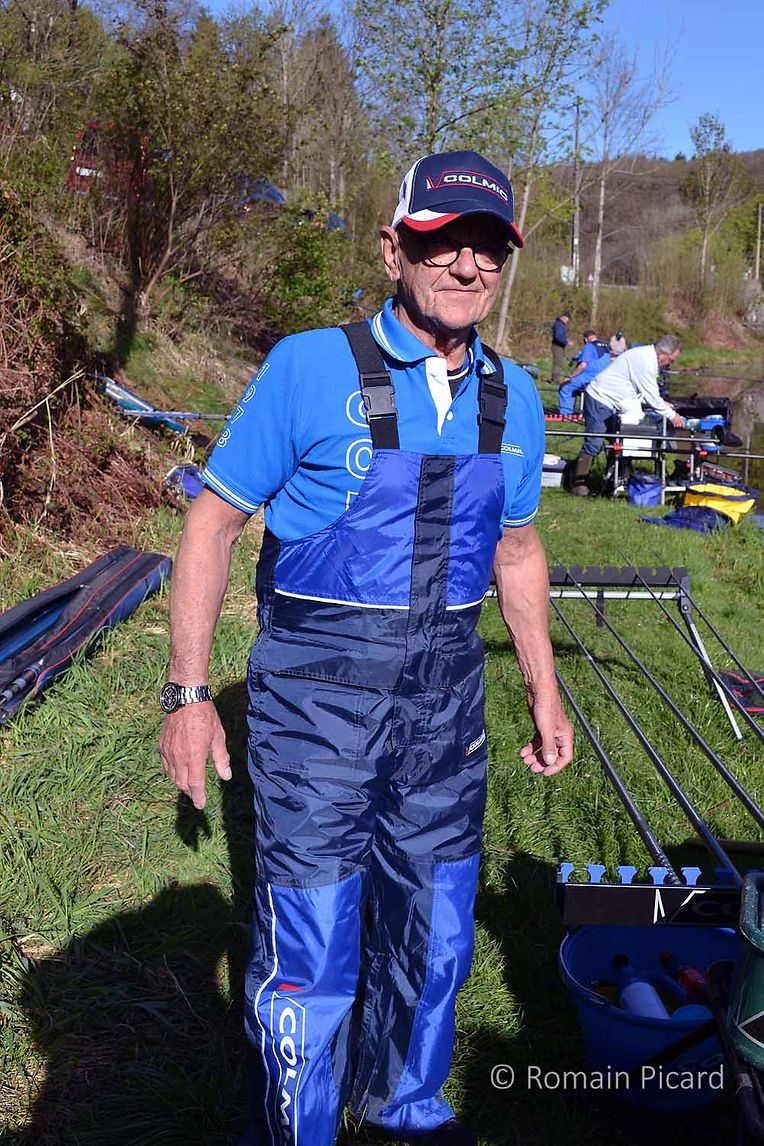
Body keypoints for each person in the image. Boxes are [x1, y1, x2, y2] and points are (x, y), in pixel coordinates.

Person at [159, 148, 574, 1146]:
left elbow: (517, 552)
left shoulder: (514, 395)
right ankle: (299, 1129)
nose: (465, 265)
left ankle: (403, 1108)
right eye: (441, 242)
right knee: (313, 946)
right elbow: (212, 523)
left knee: (437, 931)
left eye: (487, 247)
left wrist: (544, 691)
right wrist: (188, 694)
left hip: (445, 709)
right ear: (394, 249)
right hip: (315, 709)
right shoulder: (309, 366)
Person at [569, 334, 685, 496]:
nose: (670, 364)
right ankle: (578, 485)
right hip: (599, 399)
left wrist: (662, 403)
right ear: (662, 354)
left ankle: (615, 480)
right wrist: (672, 416)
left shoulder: (646, 357)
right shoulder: (645, 361)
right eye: (671, 360)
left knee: (620, 441)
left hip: (612, 402)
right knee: (594, 442)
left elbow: (638, 389)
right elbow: (650, 395)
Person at [557, 328, 611, 416]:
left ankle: (566, 414)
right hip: (605, 377)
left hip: (590, 377)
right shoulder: (606, 346)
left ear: (585, 339)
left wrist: (571, 376)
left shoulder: (589, 346)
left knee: (565, 387)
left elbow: (583, 365)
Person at [550, 310, 571, 385]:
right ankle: (554, 380)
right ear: (565, 317)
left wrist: (566, 340)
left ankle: (556, 379)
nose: (567, 321)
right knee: (557, 363)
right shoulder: (559, 325)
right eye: (568, 319)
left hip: (560, 346)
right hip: (557, 346)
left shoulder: (560, 324)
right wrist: (566, 342)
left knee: (559, 363)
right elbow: (558, 337)